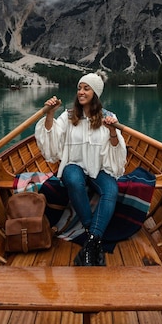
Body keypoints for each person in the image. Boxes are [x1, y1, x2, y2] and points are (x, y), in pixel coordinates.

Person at [35, 71, 127, 266]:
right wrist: (50, 114)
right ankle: (94, 236)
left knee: (111, 190)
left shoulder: (108, 117)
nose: (81, 92)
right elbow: (53, 139)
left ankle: (91, 242)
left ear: (95, 93)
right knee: (73, 180)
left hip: (99, 168)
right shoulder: (68, 116)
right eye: (79, 88)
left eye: (86, 88)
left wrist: (112, 131)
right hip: (74, 164)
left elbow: (116, 151)